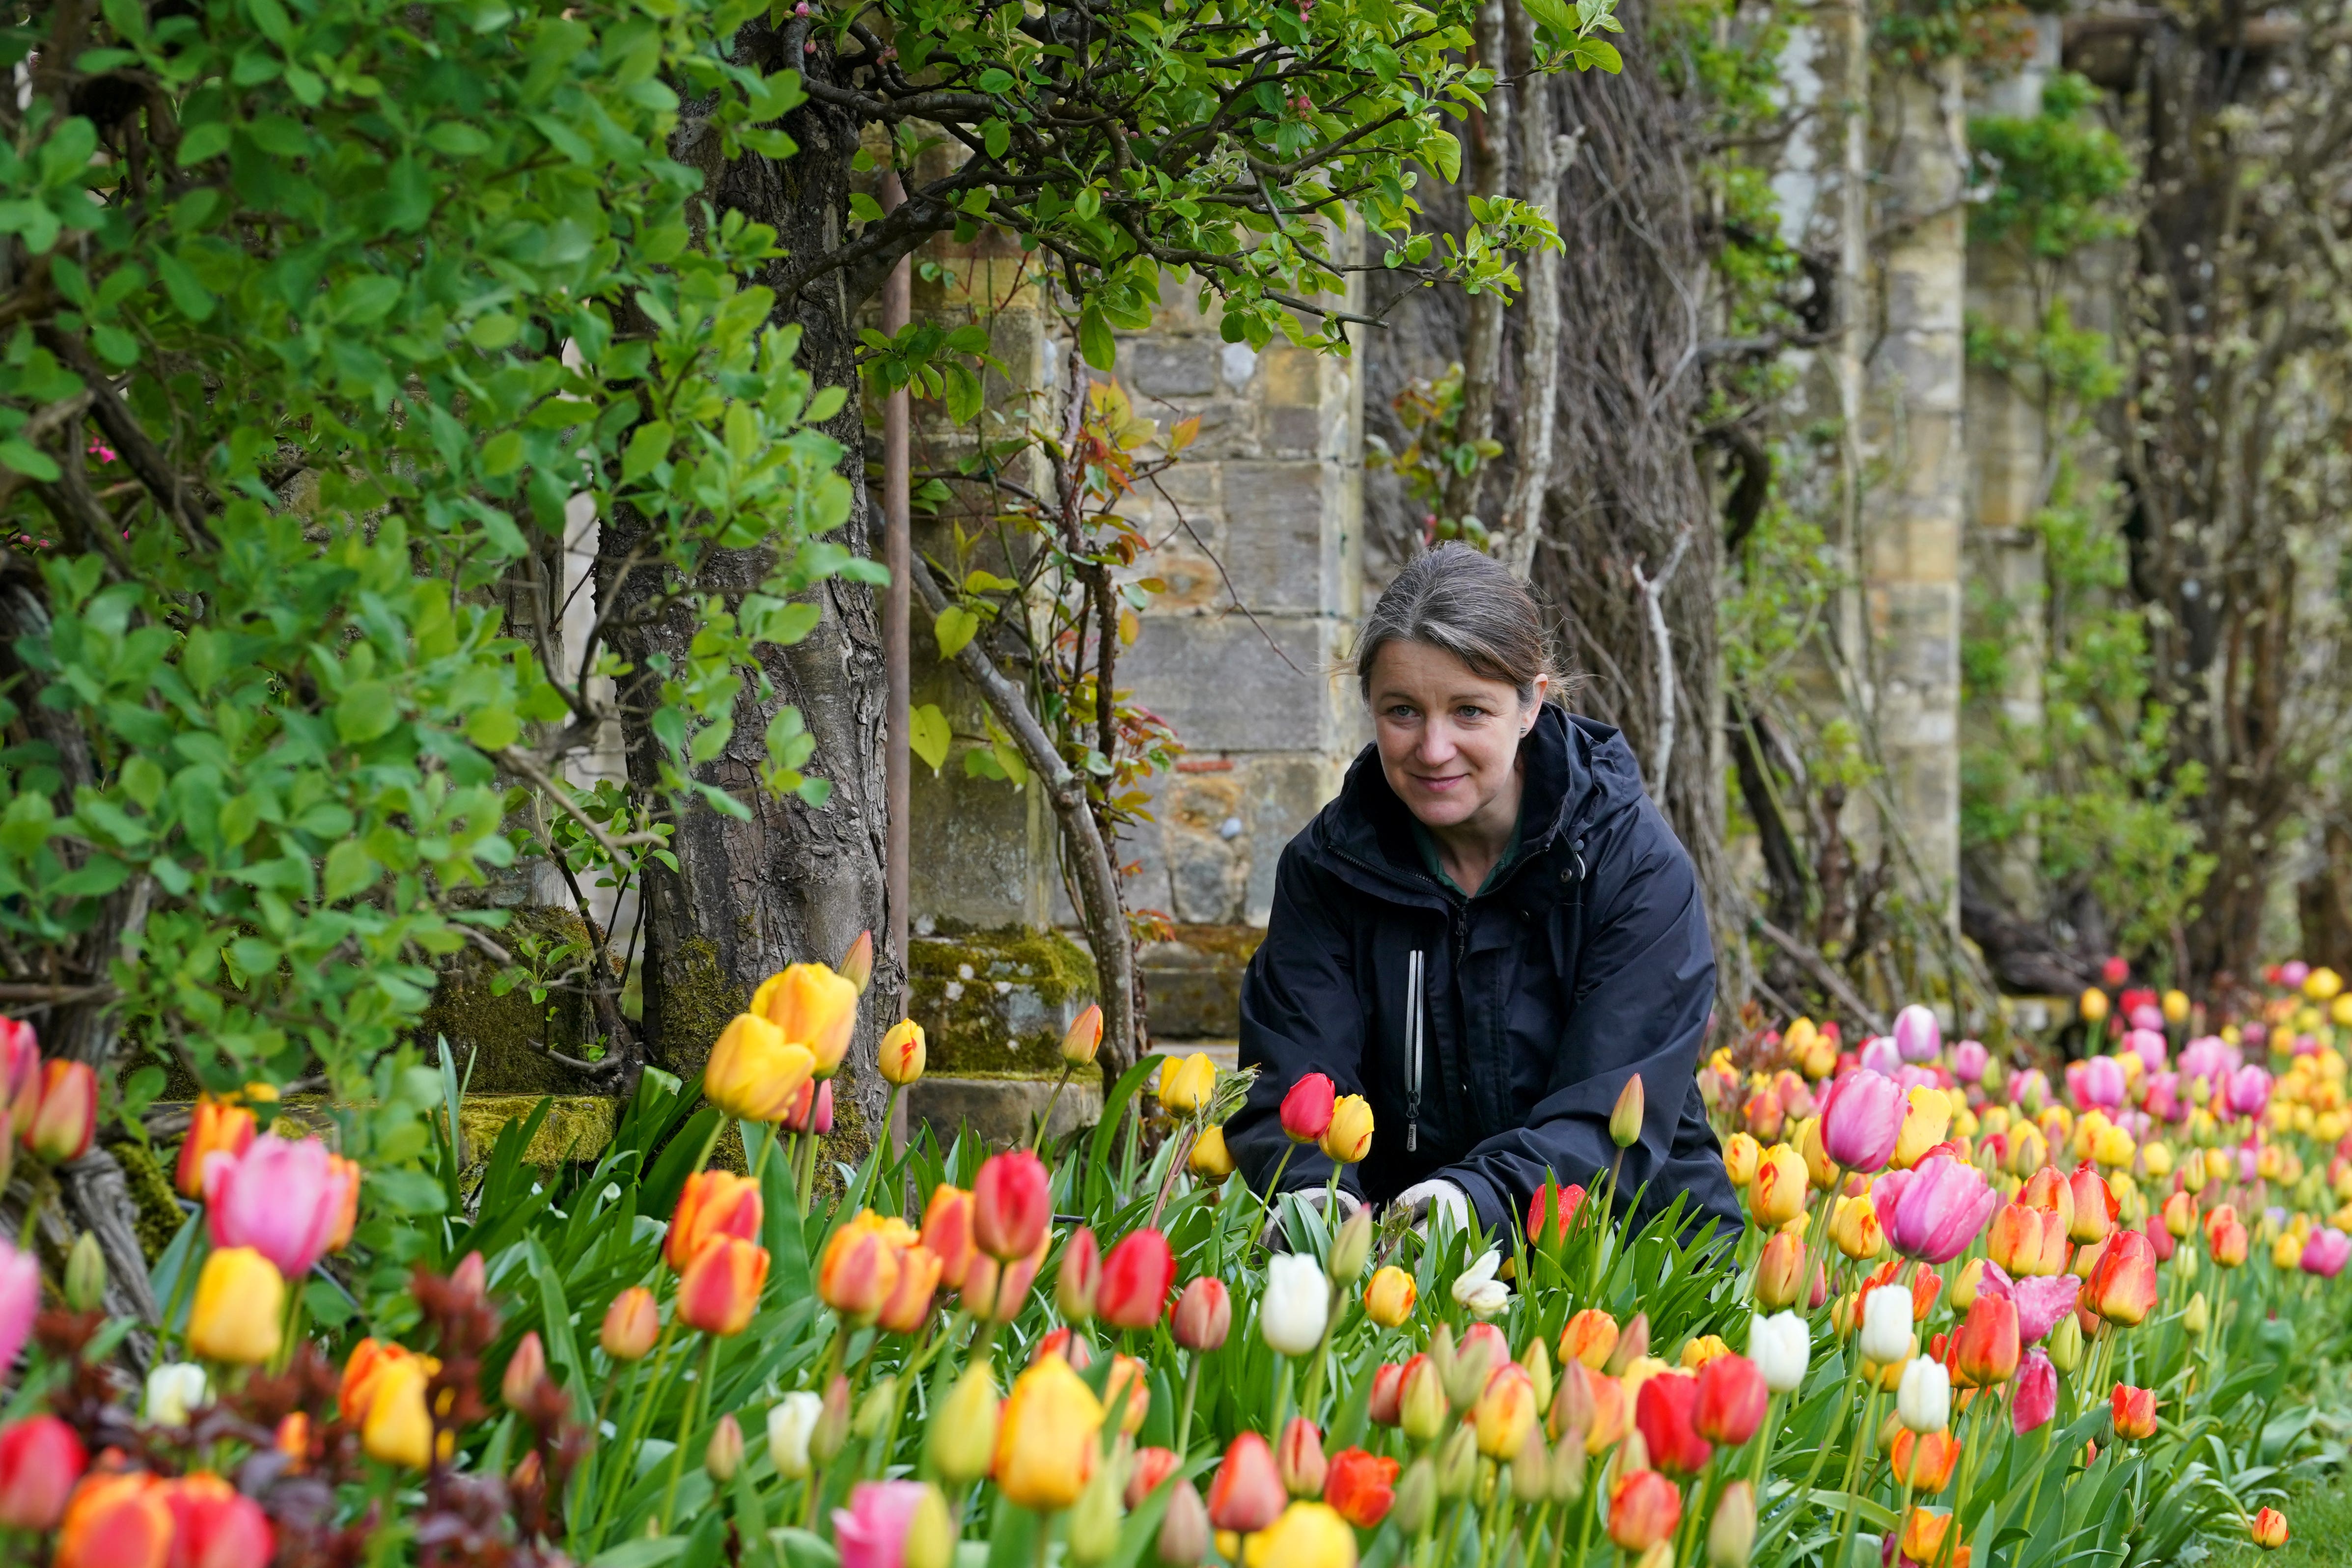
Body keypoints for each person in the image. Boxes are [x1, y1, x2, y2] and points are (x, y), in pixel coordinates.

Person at [1224, 544, 1740, 1241]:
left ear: (1531, 703)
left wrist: (1469, 1205)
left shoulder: (1629, 865)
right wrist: (1316, 1201)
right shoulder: (1328, 870)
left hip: (1624, 1258)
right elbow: (1293, 1076)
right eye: (1402, 711)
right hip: (1397, 1259)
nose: (1433, 749)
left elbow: (1610, 1116)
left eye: (1469, 711)